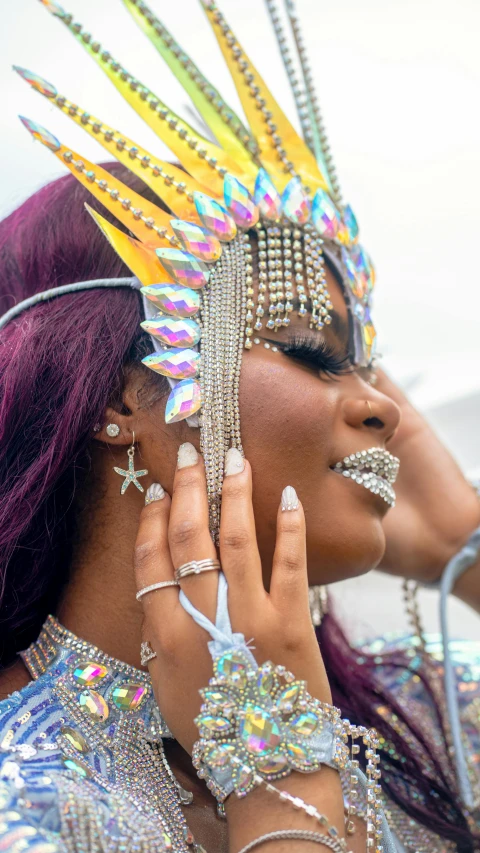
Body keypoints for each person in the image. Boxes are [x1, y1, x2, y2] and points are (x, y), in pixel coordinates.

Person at [0, 2, 479, 851]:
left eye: (370, 363)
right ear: (119, 401)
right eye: (310, 350)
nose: (385, 409)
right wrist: (278, 781)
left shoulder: (422, 719)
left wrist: (462, 541)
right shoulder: (29, 798)